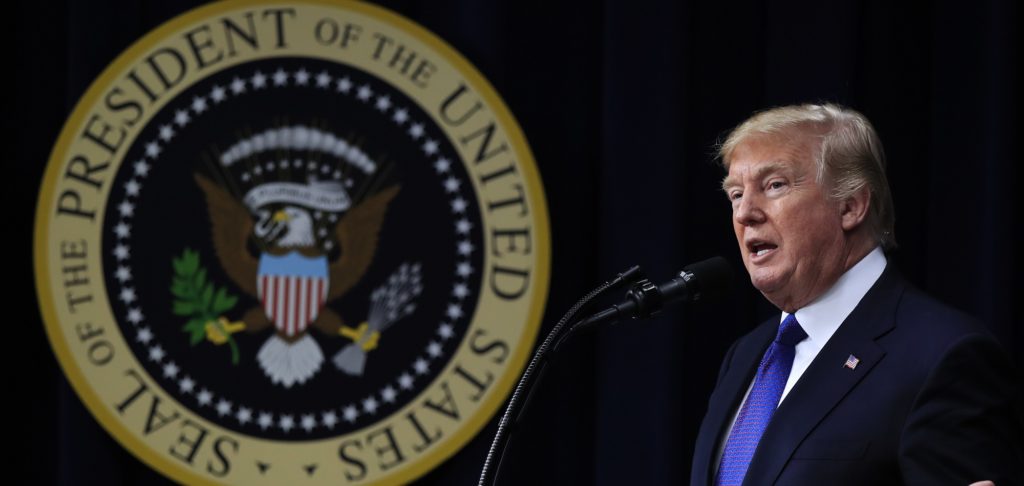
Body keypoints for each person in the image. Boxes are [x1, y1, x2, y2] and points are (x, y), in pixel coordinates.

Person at [690, 104, 1023, 485]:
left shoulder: (943, 355)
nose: (745, 213)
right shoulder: (747, 355)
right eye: (735, 194)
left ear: (851, 206)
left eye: (774, 185)